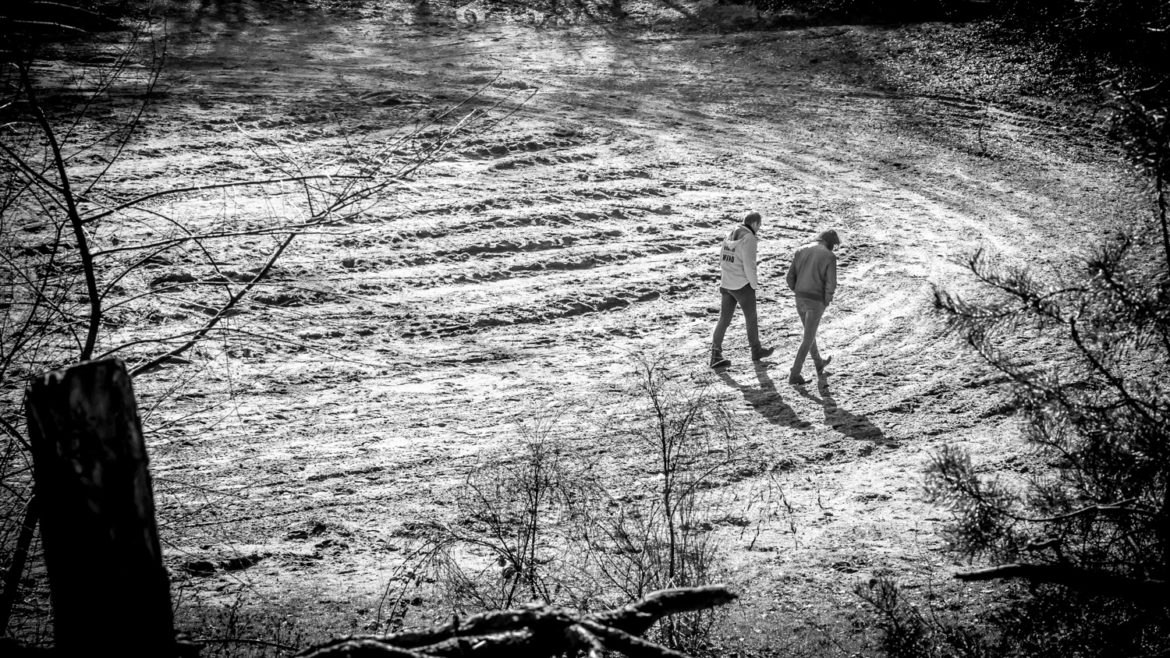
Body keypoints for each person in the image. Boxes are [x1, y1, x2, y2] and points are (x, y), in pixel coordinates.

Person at [710, 212, 775, 368]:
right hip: (741, 285)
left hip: (726, 282)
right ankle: (756, 351)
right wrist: (754, 284)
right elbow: (749, 264)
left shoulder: (730, 234)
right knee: (751, 318)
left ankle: (715, 353)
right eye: (759, 225)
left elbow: (722, 258)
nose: (759, 229)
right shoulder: (749, 238)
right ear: (754, 224)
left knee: (724, 319)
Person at [785, 229, 840, 385]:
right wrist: (826, 300)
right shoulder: (829, 256)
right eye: (834, 245)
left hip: (800, 298)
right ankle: (795, 373)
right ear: (830, 242)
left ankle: (818, 363)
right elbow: (831, 283)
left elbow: (789, 277)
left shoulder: (801, 250)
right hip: (816, 301)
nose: (834, 248)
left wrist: (798, 291)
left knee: (810, 333)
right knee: (808, 338)